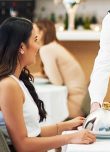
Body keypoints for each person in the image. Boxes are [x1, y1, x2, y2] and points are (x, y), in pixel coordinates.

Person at [0, 17, 96, 151]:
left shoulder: (17, 81)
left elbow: (34, 133)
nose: (38, 46)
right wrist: (70, 138)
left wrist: (66, 126)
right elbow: (23, 145)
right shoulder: (8, 85)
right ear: (21, 47)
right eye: (35, 40)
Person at [34, 19, 88, 118]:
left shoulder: (46, 49)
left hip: (73, 105)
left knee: (34, 113)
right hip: (82, 102)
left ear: (41, 32)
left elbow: (57, 81)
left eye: (34, 31)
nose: (32, 36)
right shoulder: (54, 46)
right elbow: (53, 76)